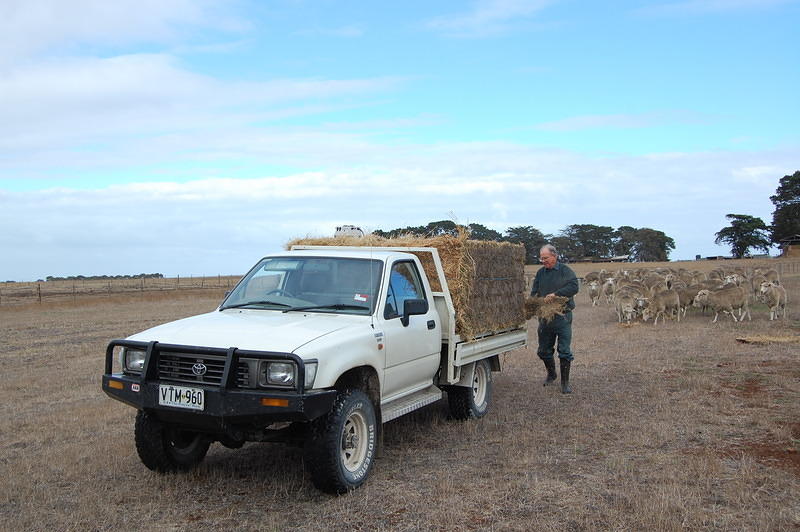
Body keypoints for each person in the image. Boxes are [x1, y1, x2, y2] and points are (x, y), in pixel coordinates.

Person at [530, 244, 579, 393]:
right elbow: (534, 292)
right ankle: (552, 374)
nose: (543, 261)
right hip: (545, 318)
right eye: (541, 258)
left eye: (545, 258)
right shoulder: (540, 273)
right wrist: (533, 302)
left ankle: (565, 384)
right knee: (543, 351)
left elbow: (574, 287)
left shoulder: (565, 271)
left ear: (554, 256)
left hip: (562, 317)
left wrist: (556, 294)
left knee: (564, 350)